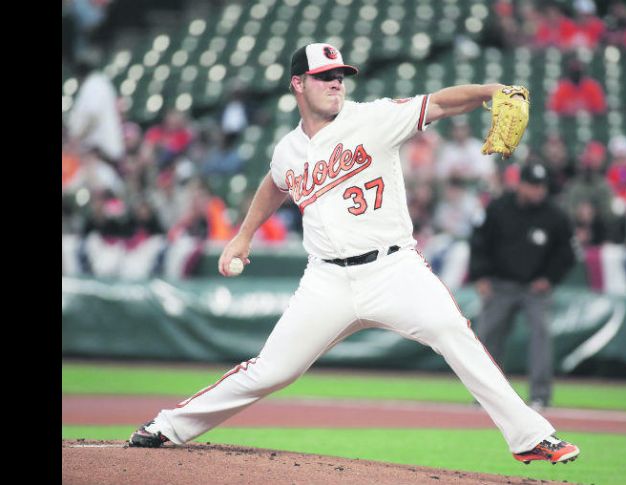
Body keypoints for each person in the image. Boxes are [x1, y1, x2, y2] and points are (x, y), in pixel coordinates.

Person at [128, 42, 580, 465]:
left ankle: (530, 437)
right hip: (326, 280)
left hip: (394, 267)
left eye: (340, 75)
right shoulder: (288, 149)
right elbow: (275, 183)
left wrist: (490, 92)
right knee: (271, 371)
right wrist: (243, 235)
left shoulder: (374, 118)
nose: (336, 83)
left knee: (453, 332)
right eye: (324, 76)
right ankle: (168, 426)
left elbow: (440, 102)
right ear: (298, 84)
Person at [469, 163, 576, 411]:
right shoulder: (499, 208)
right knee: (488, 339)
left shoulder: (555, 215)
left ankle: (540, 396)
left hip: (534, 289)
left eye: (542, 186)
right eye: (533, 186)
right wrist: (481, 275)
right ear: (521, 184)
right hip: (500, 285)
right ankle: (486, 397)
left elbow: (567, 254)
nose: (538, 191)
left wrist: (550, 278)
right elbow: (479, 242)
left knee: (541, 337)